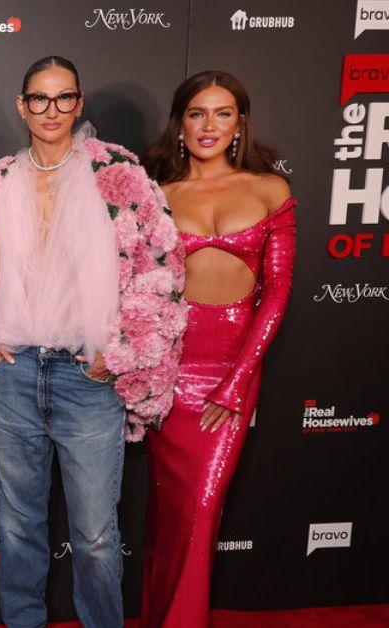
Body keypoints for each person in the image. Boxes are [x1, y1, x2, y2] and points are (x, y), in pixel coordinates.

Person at [0, 56, 186, 628]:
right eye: (40, 98)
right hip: (12, 377)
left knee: (93, 534)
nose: (52, 110)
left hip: (86, 379)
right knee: (16, 529)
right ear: (22, 105)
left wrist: (117, 358)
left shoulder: (121, 174)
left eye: (64, 98)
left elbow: (161, 267)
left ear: (79, 103)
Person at [139, 70, 295, 628]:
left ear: (240, 124)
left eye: (223, 113)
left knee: (203, 510)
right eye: (197, 113)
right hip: (169, 371)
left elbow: (275, 297)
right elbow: (140, 287)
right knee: (172, 516)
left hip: (230, 372)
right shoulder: (157, 196)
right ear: (180, 124)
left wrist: (235, 381)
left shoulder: (269, 190)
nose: (210, 125)